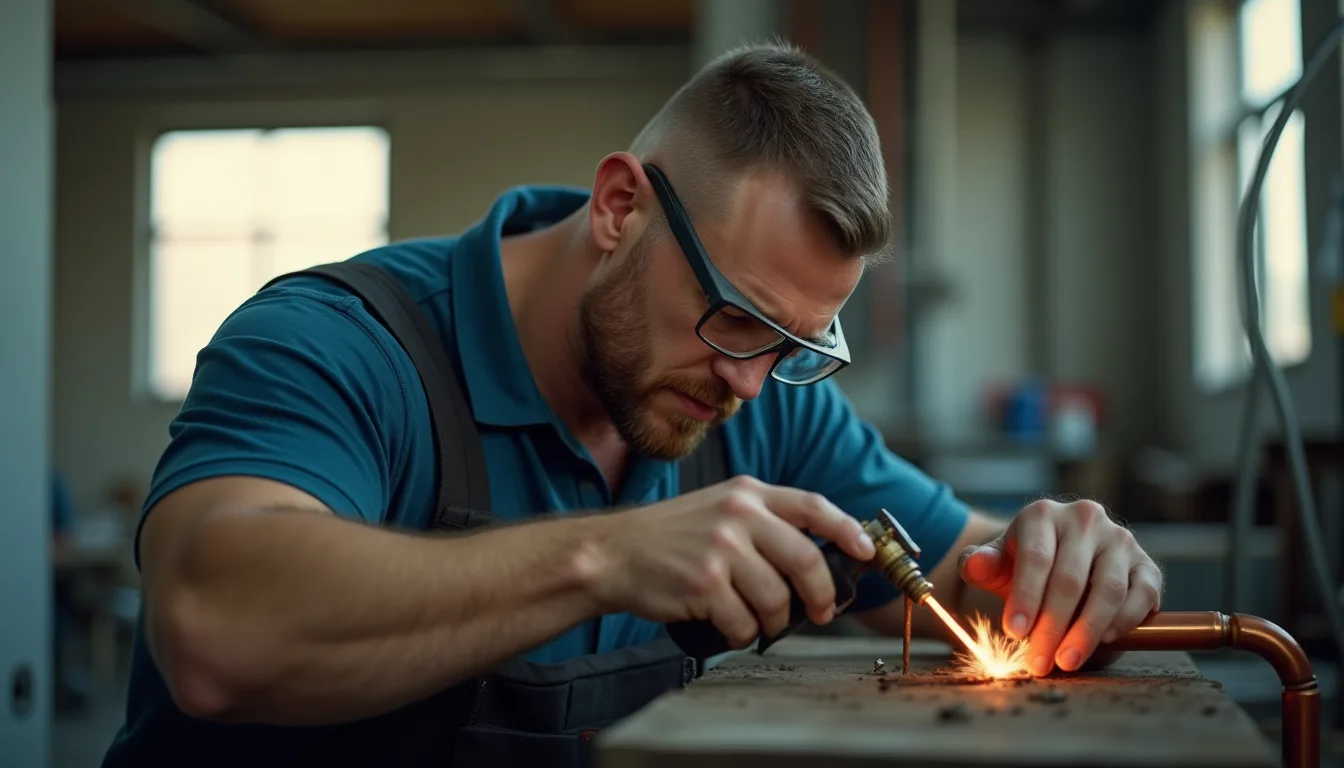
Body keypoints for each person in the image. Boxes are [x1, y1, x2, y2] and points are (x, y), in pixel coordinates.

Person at [102, 42, 1162, 767]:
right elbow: (213, 628)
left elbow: (963, 581)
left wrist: (1067, 565)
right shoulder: (340, 346)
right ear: (620, 208)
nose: (748, 379)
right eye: (737, 317)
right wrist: (606, 555)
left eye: (796, 345)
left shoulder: (755, 399)